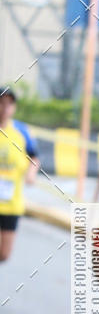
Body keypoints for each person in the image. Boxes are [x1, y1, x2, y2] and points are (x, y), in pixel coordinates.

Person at [0, 86, 39, 261]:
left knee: (4, 254)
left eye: (9, 104)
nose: (5, 108)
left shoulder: (21, 132)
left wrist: (31, 173)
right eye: (1, 103)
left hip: (11, 202)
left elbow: (34, 157)